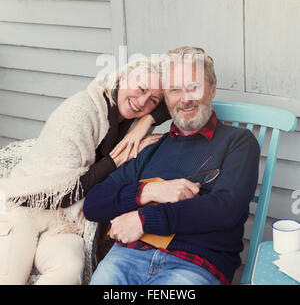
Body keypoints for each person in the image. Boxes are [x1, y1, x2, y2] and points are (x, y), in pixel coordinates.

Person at [83, 46, 261, 285]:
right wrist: (150, 191)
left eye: (193, 87)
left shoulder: (238, 142)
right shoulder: (153, 148)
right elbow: (94, 203)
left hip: (194, 266)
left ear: (213, 87)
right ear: (165, 98)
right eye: (175, 89)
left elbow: (225, 208)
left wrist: (144, 220)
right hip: (128, 258)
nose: (185, 98)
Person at [0, 56, 169, 285]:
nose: (141, 102)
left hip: (66, 220)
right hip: (26, 205)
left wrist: (146, 121)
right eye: (140, 88)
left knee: (68, 273)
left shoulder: (128, 124)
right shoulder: (82, 110)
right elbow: (66, 190)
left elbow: (178, 101)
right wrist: (114, 161)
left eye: (153, 100)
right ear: (122, 77)